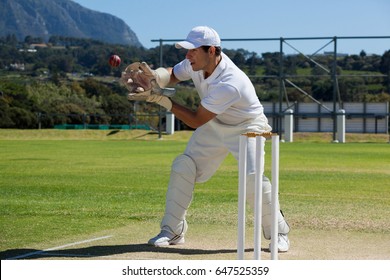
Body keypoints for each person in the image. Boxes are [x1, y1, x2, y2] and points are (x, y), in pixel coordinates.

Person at [122, 26, 290, 252]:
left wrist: (157, 98)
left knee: (252, 179)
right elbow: (173, 74)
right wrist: (154, 76)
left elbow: (195, 120)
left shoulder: (230, 82)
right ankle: (173, 230)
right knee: (183, 166)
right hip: (215, 123)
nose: (187, 55)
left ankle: (278, 232)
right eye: (186, 50)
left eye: (192, 50)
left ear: (211, 51)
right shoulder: (196, 64)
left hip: (248, 126)